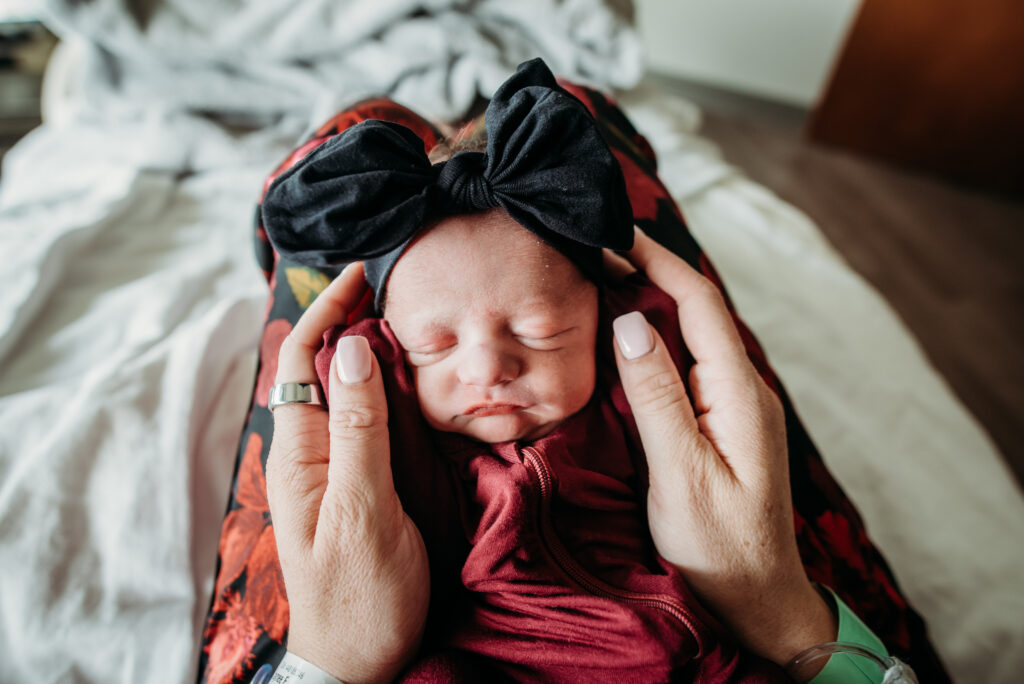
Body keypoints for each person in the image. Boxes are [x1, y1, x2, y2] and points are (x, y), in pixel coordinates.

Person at [199, 59, 945, 684]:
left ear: (603, 321)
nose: (487, 366)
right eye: (434, 346)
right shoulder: (395, 426)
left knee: (361, 127)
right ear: (392, 347)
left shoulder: (636, 400)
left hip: (684, 652)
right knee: (583, 112)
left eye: (543, 331)